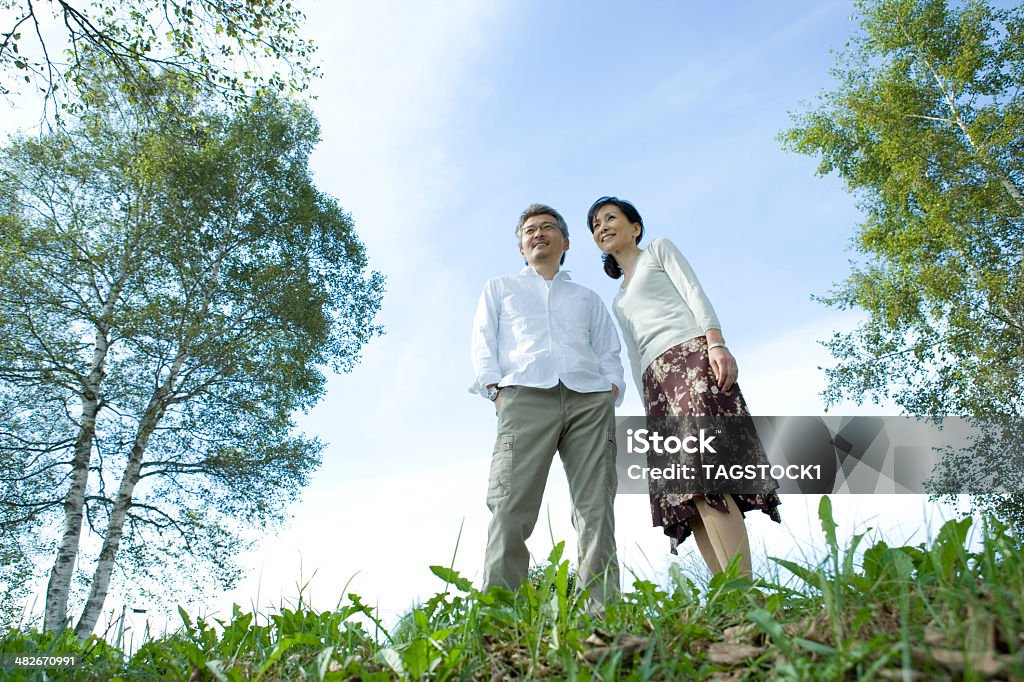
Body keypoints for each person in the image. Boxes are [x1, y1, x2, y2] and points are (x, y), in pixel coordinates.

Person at [587, 196, 780, 578]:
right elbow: (632, 353)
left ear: (635, 227)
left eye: (610, 218)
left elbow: (695, 292)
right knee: (686, 491)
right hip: (657, 385)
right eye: (595, 225)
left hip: (691, 360)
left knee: (708, 475)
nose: (602, 227)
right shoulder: (619, 300)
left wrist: (717, 344)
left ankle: (744, 589)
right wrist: (650, 411)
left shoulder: (659, 251)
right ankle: (728, 598)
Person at [470, 202, 624, 614]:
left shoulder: (588, 298)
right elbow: (483, 340)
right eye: (530, 230)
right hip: (524, 395)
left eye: (548, 227)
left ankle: (602, 613)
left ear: (566, 242)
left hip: (589, 401)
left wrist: (611, 388)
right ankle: (502, 613)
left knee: (595, 508)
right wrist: (494, 390)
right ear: (521, 246)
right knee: (510, 505)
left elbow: (609, 348)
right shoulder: (500, 288)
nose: (538, 233)